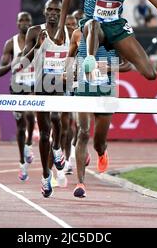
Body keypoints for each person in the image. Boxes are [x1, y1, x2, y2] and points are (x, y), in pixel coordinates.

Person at [65, 16, 131, 198]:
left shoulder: (114, 37)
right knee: (83, 132)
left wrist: (105, 68)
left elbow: (128, 65)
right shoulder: (77, 34)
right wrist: (68, 74)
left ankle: (102, 152)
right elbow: (69, 60)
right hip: (83, 91)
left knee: (98, 142)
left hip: (105, 93)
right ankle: (80, 183)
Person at [16, 0, 75, 197]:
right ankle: (45, 176)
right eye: (49, 9)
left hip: (60, 86)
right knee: (43, 134)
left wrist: (71, 73)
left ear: (62, 13)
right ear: (44, 11)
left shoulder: (70, 33)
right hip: (41, 87)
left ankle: (57, 148)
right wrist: (38, 46)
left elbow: (75, 58)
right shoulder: (35, 32)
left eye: (57, 10)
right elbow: (24, 61)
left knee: (57, 119)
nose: (53, 13)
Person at [0, 12, 35, 181]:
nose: (25, 23)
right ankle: (22, 163)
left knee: (30, 114)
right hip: (16, 86)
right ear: (17, 23)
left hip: (35, 85)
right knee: (20, 126)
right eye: (21, 20)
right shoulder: (10, 44)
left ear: (31, 23)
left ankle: (29, 144)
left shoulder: (36, 41)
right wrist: (13, 64)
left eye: (27, 20)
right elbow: (0, 71)